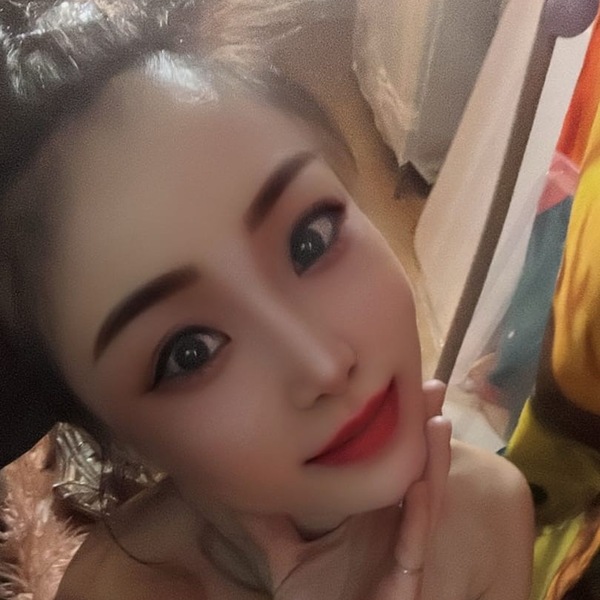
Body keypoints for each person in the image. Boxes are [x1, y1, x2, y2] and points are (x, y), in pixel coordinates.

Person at [0, 1, 534, 598]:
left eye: (311, 240)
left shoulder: (491, 511)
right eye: (190, 352)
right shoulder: (109, 590)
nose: (324, 365)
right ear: (118, 436)